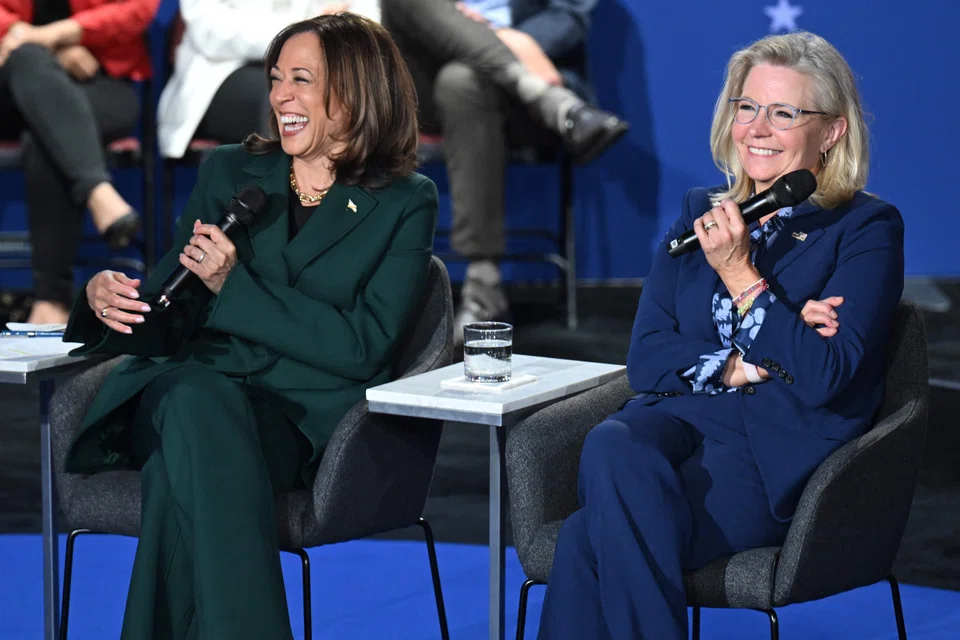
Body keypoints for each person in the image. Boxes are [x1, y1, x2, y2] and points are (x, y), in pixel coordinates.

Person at [61, 14, 435, 638]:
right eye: (275, 79)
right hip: (186, 390)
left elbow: (362, 347)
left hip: (292, 421)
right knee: (193, 397)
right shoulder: (232, 172)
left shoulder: (404, 200)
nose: (280, 96)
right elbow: (169, 304)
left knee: (181, 479)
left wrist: (234, 289)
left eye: (301, 80)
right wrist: (103, 301)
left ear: (355, 91)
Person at [537, 31, 904, 639]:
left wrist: (741, 275)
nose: (757, 128)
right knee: (613, 441)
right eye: (747, 106)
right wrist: (754, 360)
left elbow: (824, 376)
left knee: (585, 538)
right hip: (676, 422)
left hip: (766, 455)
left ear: (831, 131)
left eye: (784, 113)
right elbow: (647, 359)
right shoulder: (699, 211)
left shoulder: (864, 228)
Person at [381, 0, 629, 337]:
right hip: (429, 78)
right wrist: (467, 30)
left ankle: (483, 285)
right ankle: (553, 103)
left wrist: (500, 37)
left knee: (461, 81)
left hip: (519, 95)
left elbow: (570, 17)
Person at [0, 0, 160, 325]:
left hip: (98, 80)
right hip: (12, 80)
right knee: (29, 60)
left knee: (47, 133)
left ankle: (50, 302)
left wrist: (57, 35)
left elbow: (138, 8)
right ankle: (97, 190)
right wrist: (41, 46)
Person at [158, 0, 381, 159]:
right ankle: (285, 205)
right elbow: (209, 31)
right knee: (286, 96)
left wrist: (331, 30)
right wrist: (303, 31)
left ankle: (349, 204)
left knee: (354, 89)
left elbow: (366, 19)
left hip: (322, 68)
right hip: (223, 71)